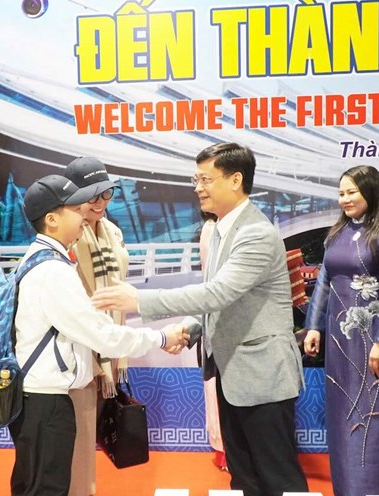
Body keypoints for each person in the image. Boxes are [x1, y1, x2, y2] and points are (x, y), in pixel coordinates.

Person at [92, 143, 308, 496]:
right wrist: (191, 327)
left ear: (235, 179)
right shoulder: (223, 228)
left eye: (205, 179)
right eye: (196, 179)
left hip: (262, 374)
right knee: (244, 474)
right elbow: (220, 300)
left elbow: (218, 293)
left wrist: (139, 300)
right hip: (233, 372)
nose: (198, 187)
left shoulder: (255, 232)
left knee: (279, 478)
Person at [10, 174, 188, 496]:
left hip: (39, 399)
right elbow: (103, 335)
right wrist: (161, 338)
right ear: (52, 219)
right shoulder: (54, 272)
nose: (84, 216)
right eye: (75, 209)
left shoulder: (43, 261)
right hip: (47, 403)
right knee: (46, 487)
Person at [302, 165, 379, 495]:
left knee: (377, 413)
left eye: (352, 191)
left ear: (371, 190)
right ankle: (350, 487)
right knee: (343, 415)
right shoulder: (337, 232)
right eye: (341, 193)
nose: (345, 198)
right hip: (340, 342)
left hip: (374, 338)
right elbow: (324, 280)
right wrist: (314, 327)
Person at [62, 157, 129, 496]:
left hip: (110, 350)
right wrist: (96, 356)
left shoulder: (112, 231)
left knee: (93, 437)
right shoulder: (66, 236)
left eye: (107, 193)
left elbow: (121, 291)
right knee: (79, 440)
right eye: (94, 195)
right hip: (81, 353)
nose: (101, 201)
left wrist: (116, 355)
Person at [197, 212, 227, 471]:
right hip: (216, 318)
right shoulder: (211, 228)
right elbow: (212, 281)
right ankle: (223, 450)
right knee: (215, 385)